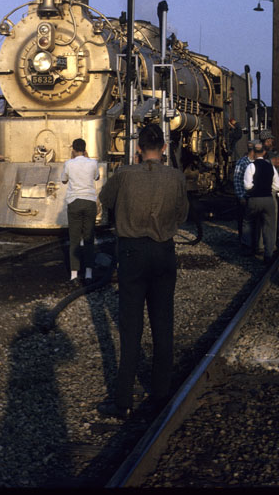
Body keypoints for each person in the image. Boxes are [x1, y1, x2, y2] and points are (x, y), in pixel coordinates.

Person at [97, 123, 188, 419]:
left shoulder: (124, 174)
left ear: (138, 148)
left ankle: (123, 399)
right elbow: (182, 214)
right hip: (163, 252)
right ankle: (161, 393)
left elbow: (105, 200)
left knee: (130, 326)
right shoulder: (176, 177)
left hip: (131, 253)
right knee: (163, 323)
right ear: (164, 148)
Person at [62, 137, 100, 283]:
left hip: (74, 202)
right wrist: (88, 158)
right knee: (89, 238)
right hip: (89, 202)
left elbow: (64, 180)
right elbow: (97, 177)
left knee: (74, 239)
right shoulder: (93, 163)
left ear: (73, 149)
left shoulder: (68, 164)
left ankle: (74, 274)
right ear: (85, 150)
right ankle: (89, 273)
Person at [243, 139, 279, 261]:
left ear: (254, 153)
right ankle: (268, 253)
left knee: (248, 222)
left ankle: (248, 248)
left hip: (254, 199)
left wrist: (255, 189)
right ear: (264, 153)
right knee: (269, 226)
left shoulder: (251, 166)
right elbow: (278, 186)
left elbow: (247, 186)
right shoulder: (271, 167)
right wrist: (267, 188)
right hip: (268, 200)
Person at [232, 141, 255, 249]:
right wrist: (241, 196)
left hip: (254, 197)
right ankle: (244, 243)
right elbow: (237, 180)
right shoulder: (242, 162)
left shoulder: (257, 162)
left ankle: (251, 242)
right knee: (243, 221)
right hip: (244, 197)